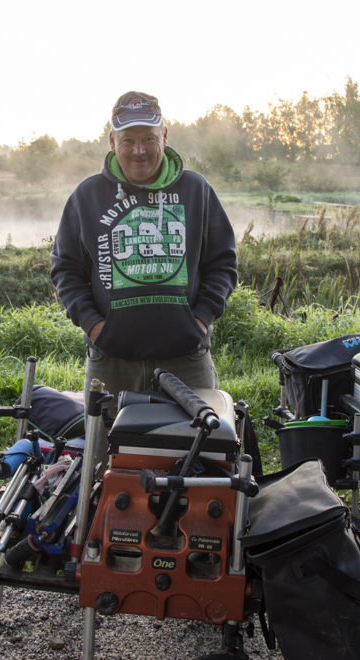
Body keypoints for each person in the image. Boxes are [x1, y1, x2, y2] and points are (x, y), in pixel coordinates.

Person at [50, 91, 237, 466]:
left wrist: (200, 320)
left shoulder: (196, 191)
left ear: (164, 136)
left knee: (200, 463)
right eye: (128, 140)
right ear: (112, 141)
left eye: (148, 139)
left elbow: (223, 263)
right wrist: (94, 325)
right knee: (105, 468)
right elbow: (66, 268)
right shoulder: (87, 196)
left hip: (187, 358)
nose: (139, 151)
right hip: (111, 361)